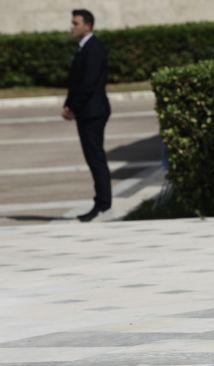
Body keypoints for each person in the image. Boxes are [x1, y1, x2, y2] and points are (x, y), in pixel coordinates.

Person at [63, 9, 112, 222]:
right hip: (87, 111)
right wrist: (68, 104)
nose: (72, 27)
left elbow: (89, 83)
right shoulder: (84, 47)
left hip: (93, 111)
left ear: (88, 26)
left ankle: (103, 204)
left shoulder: (94, 48)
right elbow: (75, 81)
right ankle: (101, 202)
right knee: (93, 158)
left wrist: (73, 106)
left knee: (96, 158)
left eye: (76, 23)